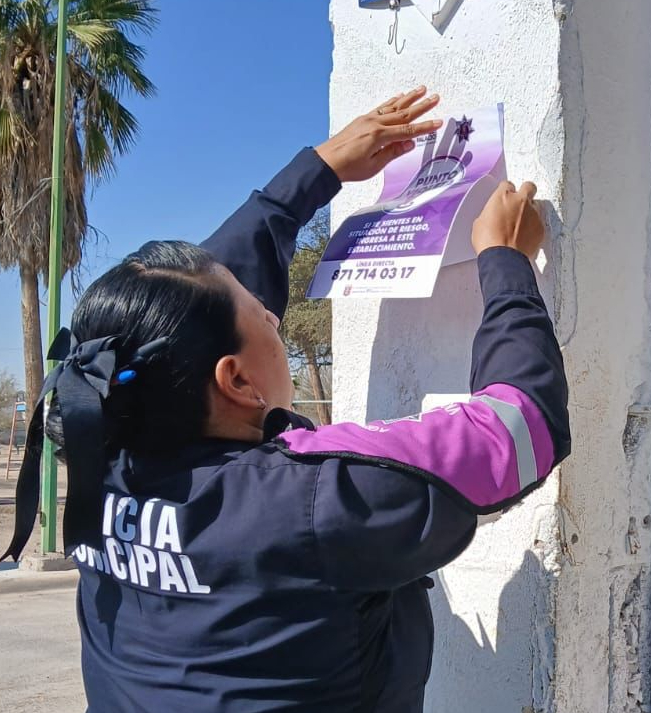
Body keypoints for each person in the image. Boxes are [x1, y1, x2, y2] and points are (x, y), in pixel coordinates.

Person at [0, 86, 570, 713]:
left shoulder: (102, 450)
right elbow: (518, 429)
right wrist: (506, 262)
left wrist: (315, 172)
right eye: (264, 316)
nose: (275, 317)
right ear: (236, 382)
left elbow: (179, 308)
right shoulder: (313, 499)